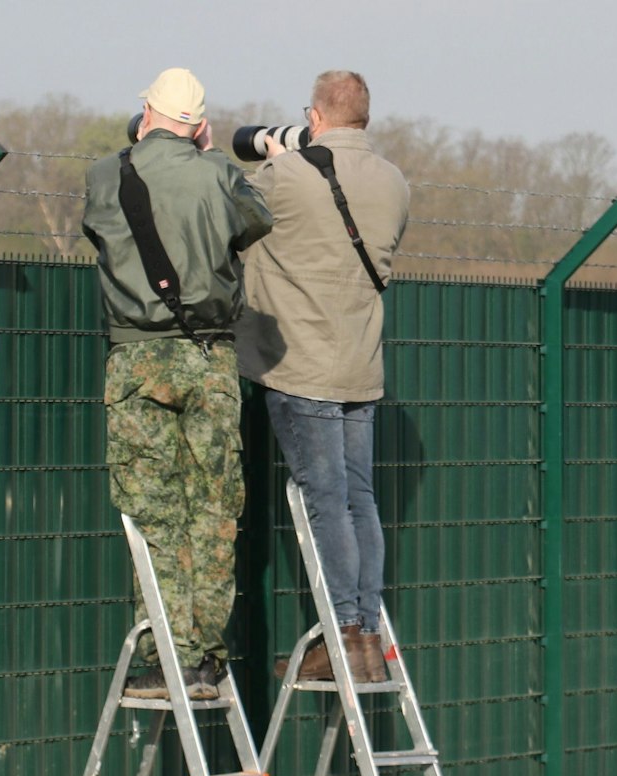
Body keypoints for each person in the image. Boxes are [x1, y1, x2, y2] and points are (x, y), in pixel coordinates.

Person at [82, 68, 273, 700]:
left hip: (136, 358)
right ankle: (204, 659)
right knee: (213, 510)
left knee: (153, 512)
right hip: (210, 357)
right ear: (198, 124)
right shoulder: (217, 173)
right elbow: (257, 221)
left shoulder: (106, 174)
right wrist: (209, 156)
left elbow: (99, 228)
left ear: (145, 112)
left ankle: (165, 656)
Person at [238, 70, 410, 683]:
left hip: (300, 363)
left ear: (314, 116)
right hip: (360, 361)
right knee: (360, 497)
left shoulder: (286, 174)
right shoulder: (393, 180)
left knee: (326, 501)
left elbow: (231, 216)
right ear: (366, 116)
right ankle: (366, 635)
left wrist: (274, 156)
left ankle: (341, 635)